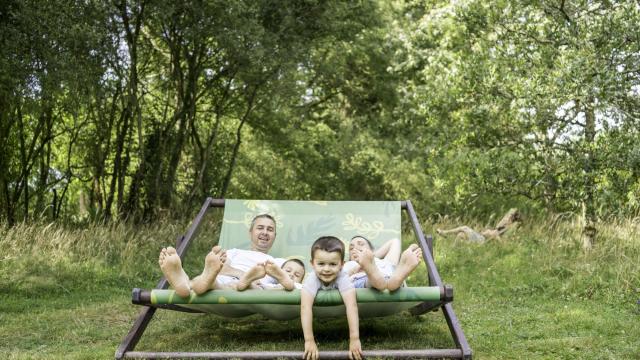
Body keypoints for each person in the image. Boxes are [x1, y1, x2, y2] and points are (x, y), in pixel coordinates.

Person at [158, 214, 295, 297]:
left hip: (254, 288)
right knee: (211, 278)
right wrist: (243, 274)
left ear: (274, 236)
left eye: (270, 230)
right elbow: (222, 268)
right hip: (224, 280)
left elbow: (292, 279)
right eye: (260, 228)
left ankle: (187, 283)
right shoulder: (234, 252)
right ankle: (187, 282)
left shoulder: (278, 262)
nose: (265, 232)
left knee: (211, 283)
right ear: (250, 232)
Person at [301, 236, 362, 360]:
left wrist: (354, 338)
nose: (327, 269)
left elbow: (352, 306)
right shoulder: (311, 279)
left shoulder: (343, 277)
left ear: (341, 265)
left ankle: (363, 267)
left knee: (357, 276)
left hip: (348, 279)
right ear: (312, 264)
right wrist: (309, 340)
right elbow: (305, 307)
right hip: (313, 285)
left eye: (333, 264)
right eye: (321, 264)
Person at [344, 236, 422, 291]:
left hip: (388, 276)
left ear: (371, 250)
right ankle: (376, 276)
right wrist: (352, 271)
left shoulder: (382, 262)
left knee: (390, 270)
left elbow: (394, 241)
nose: (355, 248)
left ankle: (395, 278)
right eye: (351, 248)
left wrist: (371, 257)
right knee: (367, 280)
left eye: (361, 244)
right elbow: (337, 278)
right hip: (362, 282)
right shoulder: (347, 264)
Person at [436, 208, 521, 243]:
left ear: (512, 219)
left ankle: (444, 232)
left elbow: (500, 240)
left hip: (482, 240)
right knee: (460, 235)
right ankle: (454, 252)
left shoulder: (506, 229)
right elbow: (498, 227)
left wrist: (491, 235)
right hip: (480, 236)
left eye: (509, 216)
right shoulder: (502, 225)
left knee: (464, 227)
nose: (506, 217)